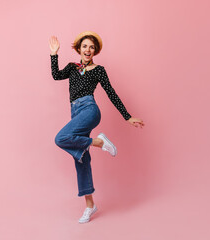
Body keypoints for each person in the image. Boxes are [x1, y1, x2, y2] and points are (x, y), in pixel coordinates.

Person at [49, 31, 144, 223]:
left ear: (95, 51)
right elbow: (56, 76)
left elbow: (111, 93)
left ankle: (99, 141)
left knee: (60, 138)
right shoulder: (72, 67)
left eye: (91, 47)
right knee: (81, 158)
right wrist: (54, 55)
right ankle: (90, 206)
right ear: (79, 48)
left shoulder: (99, 70)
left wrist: (127, 117)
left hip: (89, 109)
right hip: (75, 113)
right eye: (85, 46)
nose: (88, 50)